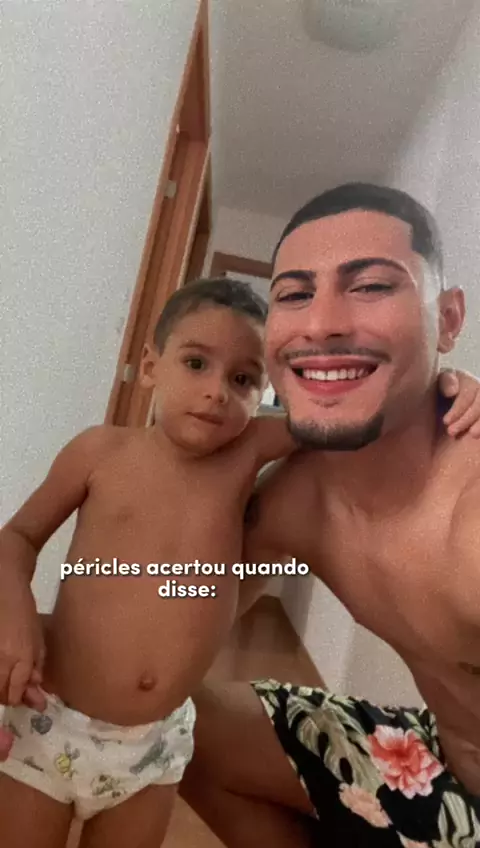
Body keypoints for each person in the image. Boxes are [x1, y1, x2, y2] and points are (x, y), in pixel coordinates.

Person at [179, 183, 480, 847]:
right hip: (436, 756)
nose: (321, 325)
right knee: (178, 720)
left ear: (448, 319)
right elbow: (171, 617)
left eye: (370, 286)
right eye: (293, 294)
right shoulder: (295, 498)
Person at [0, 277, 299, 848]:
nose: (216, 392)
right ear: (151, 364)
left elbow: (346, 421)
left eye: (243, 379)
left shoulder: (249, 453)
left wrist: (451, 388)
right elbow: (16, 537)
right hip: (50, 720)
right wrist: (13, 617)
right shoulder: (100, 453)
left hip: (156, 744)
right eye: (196, 363)